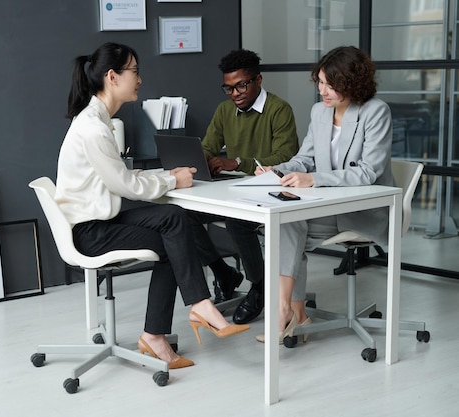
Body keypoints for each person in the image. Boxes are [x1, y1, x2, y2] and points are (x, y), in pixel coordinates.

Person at [54, 42, 249, 369]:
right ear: (113, 77)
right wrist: (173, 181)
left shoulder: (96, 119)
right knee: (175, 235)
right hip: (90, 232)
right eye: (135, 71)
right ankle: (169, 326)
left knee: (175, 220)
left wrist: (165, 175)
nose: (140, 79)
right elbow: (124, 185)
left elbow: (117, 176)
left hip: (99, 221)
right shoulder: (93, 128)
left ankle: (182, 317)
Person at [253, 45, 394, 343]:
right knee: (287, 222)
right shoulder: (319, 112)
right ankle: (294, 314)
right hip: (329, 207)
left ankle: (288, 314)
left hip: (363, 211)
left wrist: (313, 179)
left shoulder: (376, 111)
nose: (323, 91)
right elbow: (305, 158)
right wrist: (276, 170)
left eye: (331, 84)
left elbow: (367, 172)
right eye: (319, 82)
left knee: (292, 227)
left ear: (352, 82)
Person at [195, 49, 299, 323]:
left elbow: (285, 158)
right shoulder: (224, 110)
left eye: (241, 85)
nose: (235, 93)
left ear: (258, 80)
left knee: (236, 218)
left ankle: (259, 285)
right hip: (232, 191)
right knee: (183, 218)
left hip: (269, 192)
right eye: (228, 88)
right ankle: (223, 272)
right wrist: (199, 159)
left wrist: (237, 163)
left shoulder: (279, 109)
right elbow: (208, 146)